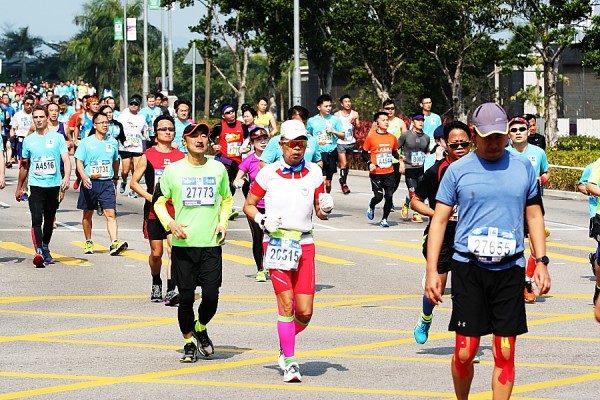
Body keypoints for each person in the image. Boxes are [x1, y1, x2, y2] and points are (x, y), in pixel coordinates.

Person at [425, 102, 551, 400]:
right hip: (469, 269)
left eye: (499, 136)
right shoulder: (457, 171)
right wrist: (432, 271)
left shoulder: (522, 167)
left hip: (509, 269)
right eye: (487, 137)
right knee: (465, 351)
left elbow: (534, 216)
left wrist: (541, 261)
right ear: (474, 135)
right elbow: (439, 221)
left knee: (505, 351)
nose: (494, 143)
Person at [242, 119, 334, 383]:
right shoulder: (268, 173)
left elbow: (319, 211)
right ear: (281, 145)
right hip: (276, 243)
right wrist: (262, 220)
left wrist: (325, 208)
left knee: (304, 312)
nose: (297, 149)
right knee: (285, 304)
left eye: (302, 144)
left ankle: (285, 344)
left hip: (304, 243)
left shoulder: (314, 172)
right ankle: (291, 363)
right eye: (292, 144)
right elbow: (249, 205)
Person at [153, 123, 234, 362]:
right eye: (194, 136)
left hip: (210, 244)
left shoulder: (218, 169)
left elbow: (227, 200)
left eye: (203, 135)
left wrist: (223, 223)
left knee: (211, 297)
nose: (199, 140)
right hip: (184, 246)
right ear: (185, 141)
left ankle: (200, 327)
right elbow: (159, 202)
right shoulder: (173, 171)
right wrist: (170, 223)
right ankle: (188, 342)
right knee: (186, 299)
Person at [410, 121, 471, 344]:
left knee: (467, 290)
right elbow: (415, 201)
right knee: (439, 286)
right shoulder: (437, 171)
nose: (460, 148)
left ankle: (466, 340)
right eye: (455, 145)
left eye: (464, 144)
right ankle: (426, 318)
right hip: (443, 234)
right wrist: (436, 214)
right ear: (445, 144)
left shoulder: (480, 168)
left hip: (469, 235)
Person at [131, 115, 185, 304]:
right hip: (154, 212)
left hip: (174, 212)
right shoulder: (148, 155)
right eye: (163, 129)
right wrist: (150, 197)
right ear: (155, 133)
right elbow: (134, 183)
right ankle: (156, 281)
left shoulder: (181, 157)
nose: (168, 132)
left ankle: (171, 289)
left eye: (171, 129)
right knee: (156, 253)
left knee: (173, 250)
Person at [14, 105, 71, 267]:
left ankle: (45, 246)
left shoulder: (58, 138)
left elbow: (66, 160)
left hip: (53, 185)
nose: (38, 120)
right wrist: (19, 187)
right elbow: (24, 165)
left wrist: (66, 177)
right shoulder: (28, 140)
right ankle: (38, 251)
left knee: (49, 218)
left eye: (41, 117)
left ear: (47, 118)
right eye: (35, 117)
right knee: (37, 217)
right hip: (35, 185)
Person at [506, 116, 550, 303]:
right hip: (509, 205)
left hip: (533, 204)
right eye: (514, 130)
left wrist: (543, 179)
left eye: (521, 129)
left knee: (535, 247)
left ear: (528, 131)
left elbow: (546, 171)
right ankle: (509, 283)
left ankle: (527, 281)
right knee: (511, 246)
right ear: (508, 134)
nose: (518, 133)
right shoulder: (503, 153)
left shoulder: (538, 152)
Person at [75, 111, 128, 256]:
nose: (105, 125)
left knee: (110, 213)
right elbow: (79, 161)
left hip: (106, 182)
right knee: (88, 214)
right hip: (90, 182)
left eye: (107, 123)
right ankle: (88, 241)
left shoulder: (112, 142)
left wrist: (115, 177)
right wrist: (83, 176)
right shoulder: (86, 142)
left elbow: (116, 161)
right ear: (95, 125)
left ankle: (114, 242)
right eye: (102, 123)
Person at [233, 127, 271, 282]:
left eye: (265, 139)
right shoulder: (249, 160)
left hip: (273, 204)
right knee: (258, 236)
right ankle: (260, 269)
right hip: (255, 205)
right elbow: (237, 179)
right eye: (258, 140)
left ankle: (273, 266)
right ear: (252, 143)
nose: (262, 142)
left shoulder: (276, 159)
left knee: (273, 236)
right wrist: (239, 182)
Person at [210, 104, 249, 218]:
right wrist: (213, 145)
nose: (231, 114)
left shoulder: (242, 125)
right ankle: (227, 207)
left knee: (239, 183)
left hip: (237, 159)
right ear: (223, 116)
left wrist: (246, 147)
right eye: (228, 112)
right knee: (228, 181)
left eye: (232, 111)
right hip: (224, 158)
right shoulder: (219, 126)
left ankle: (248, 205)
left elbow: (248, 137)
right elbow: (210, 137)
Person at [363, 112, 399, 228]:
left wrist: (400, 158)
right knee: (378, 197)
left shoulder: (392, 138)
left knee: (389, 196)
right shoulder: (371, 137)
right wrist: (369, 163)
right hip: (376, 173)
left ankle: (384, 219)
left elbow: (394, 152)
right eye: (383, 120)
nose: (386, 122)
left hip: (389, 172)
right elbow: (364, 153)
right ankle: (372, 205)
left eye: (387, 120)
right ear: (377, 123)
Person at [306, 94, 344, 193]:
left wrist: (334, 131)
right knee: (321, 180)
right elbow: (308, 134)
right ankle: (319, 199)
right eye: (326, 106)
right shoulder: (312, 121)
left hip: (331, 153)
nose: (328, 108)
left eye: (330, 106)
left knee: (328, 183)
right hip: (318, 154)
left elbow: (343, 136)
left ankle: (326, 197)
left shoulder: (335, 120)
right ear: (319, 107)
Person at [398, 113, 430, 222]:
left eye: (422, 120)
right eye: (418, 120)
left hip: (420, 169)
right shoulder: (406, 135)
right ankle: (416, 214)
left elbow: (427, 153)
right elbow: (395, 148)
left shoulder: (426, 137)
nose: (421, 122)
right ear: (412, 122)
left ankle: (407, 203)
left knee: (421, 193)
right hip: (409, 168)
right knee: (413, 192)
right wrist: (400, 160)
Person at [117, 95, 148, 198]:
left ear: (139, 106)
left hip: (137, 146)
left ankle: (133, 189)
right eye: (132, 104)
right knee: (125, 171)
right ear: (128, 105)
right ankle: (124, 181)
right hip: (125, 146)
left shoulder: (141, 117)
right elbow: (118, 129)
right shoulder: (122, 116)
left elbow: (145, 129)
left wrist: (146, 135)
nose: (134, 106)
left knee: (136, 169)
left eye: (136, 104)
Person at [334, 94, 360, 194]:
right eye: (346, 102)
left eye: (349, 101)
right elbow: (334, 127)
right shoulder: (337, 115)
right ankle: (344, 184)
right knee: (343, 163)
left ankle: (343, 179)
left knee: (347, 164)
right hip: (341, 142)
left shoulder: (355, 114)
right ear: (342, 104)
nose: (348, 104)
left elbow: (358, 127)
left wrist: (354, 122)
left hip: (350, 142)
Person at [10, 94, 35, 162]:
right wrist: (11, 139)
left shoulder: (35, 114)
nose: (29, 106)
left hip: (33, 139)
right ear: (23, 104)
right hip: (21, 140)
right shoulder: (17, 115)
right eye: (27, 104)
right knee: (23, 161)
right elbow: (13, 128)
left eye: (31, 104)